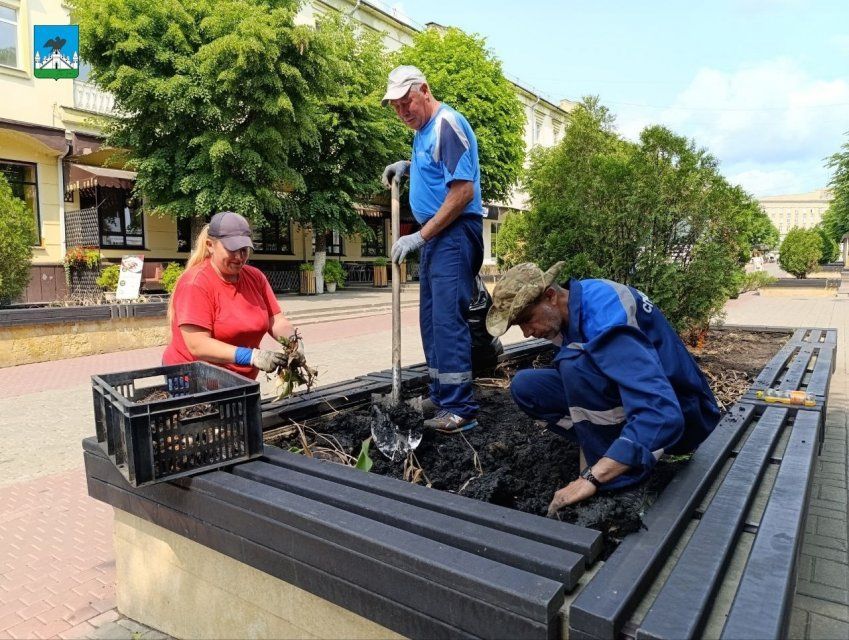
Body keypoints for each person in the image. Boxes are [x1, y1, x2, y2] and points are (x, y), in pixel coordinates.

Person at [486, 262, 721, 513]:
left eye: (527, 320)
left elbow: (662, 414)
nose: (526, 333)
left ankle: (621, 480)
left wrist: (592, 478)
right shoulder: (576, 303)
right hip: (645, 403)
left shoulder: (606, 320)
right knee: (527, 386)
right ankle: (614, 449)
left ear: (550, 296)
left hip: (684, 419)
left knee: (574, 365)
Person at [381, 65, 484, 434]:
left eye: (406, 101)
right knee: (431, 320)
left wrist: (419, 236)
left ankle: (460, 408)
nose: (402, 111)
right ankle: (441, 394)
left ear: (424, 90)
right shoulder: (424, 131)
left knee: (446, 320)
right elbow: (437, 168)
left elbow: (462, 191)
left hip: (453, 232)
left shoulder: (446, 123)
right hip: (438, 237)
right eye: (395, 107)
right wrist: (409, 166)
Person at [163, 211, 295, 379]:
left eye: (244, 249)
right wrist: (252, 356)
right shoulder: (195, 283)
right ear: (210, 245)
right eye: (232, 249)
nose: (239, 257)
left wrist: (294, 342)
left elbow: (275, 319)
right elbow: (198, 345)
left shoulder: (255, 277)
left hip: (239, 379)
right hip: (193, 379)